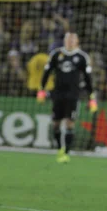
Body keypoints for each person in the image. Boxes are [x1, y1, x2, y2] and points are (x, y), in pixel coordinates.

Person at [37, 32, 97, 163]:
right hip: (57, 94)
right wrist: (41, 89)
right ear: (64, 41)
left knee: (70, 123)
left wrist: (91, 96)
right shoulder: (56, 54)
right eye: (68, 39)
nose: (70, 41)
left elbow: (88, 79)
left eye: (72, 39)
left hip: (73, 95)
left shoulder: (82, 57)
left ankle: (66, 152)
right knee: (56, 124)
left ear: (77, 41)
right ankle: (59, 149)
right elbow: (47, 72)